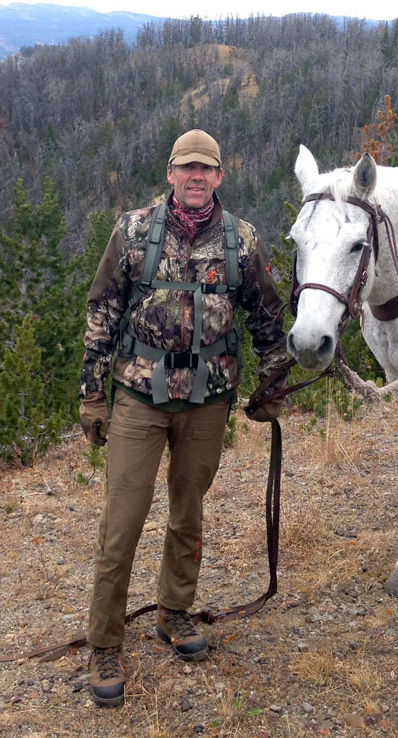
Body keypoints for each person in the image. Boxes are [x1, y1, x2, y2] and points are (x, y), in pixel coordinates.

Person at [78, 128, 288, 707]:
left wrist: (272, 388)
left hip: (208, 401)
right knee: (122, 522)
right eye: (185, 168)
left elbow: (269, 320)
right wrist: (92, 395)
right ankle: (105, 643)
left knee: (187, 514)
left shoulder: (241, 242)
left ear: (219, 177)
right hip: (140, 398)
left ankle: (174, 612)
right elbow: (102, 310)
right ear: (170, 173)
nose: (196, 177)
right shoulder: (134, 231)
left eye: (206, 169)